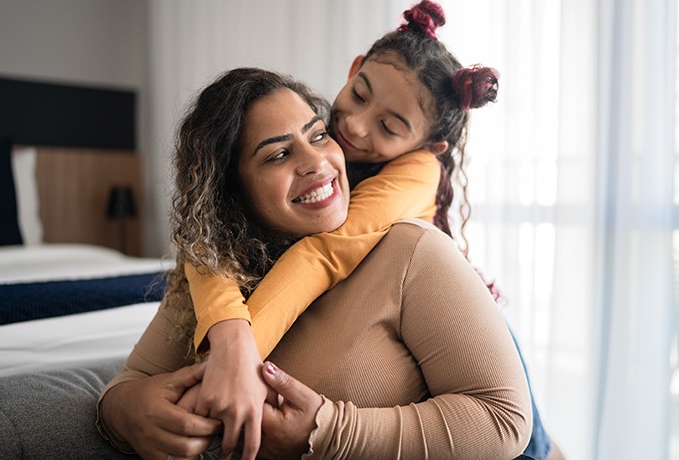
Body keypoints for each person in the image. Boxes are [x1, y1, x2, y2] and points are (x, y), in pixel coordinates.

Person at [183, 2, 558, 459]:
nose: (354, 126)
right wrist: (225, 329)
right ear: (355, 68)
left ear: (428, 146)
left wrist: (240, 358)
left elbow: (324, 253)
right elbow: (206, 241)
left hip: (471, 328)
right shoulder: (315, 133)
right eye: (359, 95)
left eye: (388, 126)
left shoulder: (419, 171)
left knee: (536, 451)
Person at [96, 67, 533, 459]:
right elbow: (129, 383)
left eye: (319, 135)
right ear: (232, 193)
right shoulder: (216, 270)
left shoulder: (412, 252)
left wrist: (328, 430)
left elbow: (504, 420)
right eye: (278, 154)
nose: (318, 163)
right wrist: (126, 413)